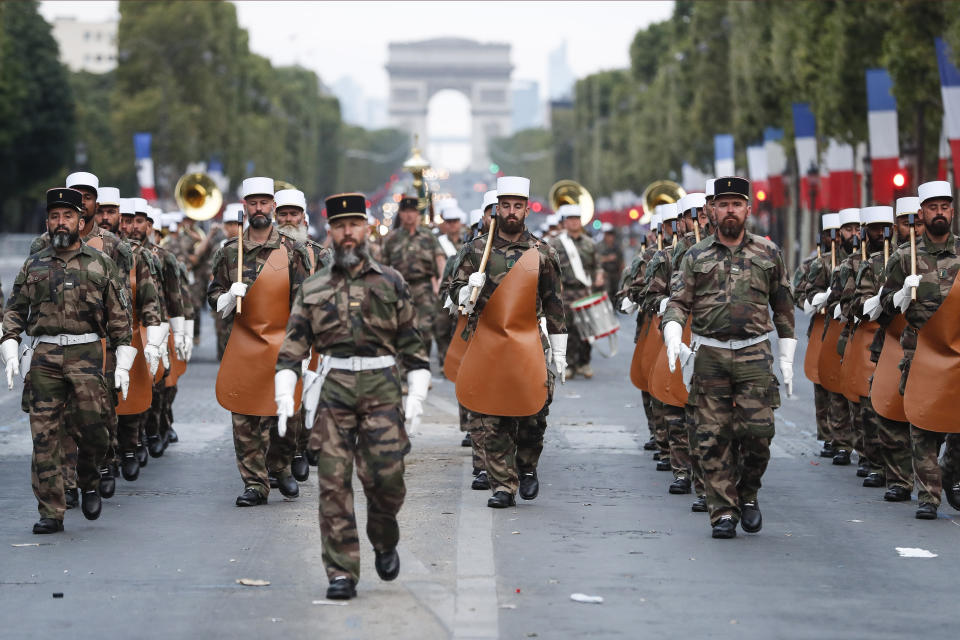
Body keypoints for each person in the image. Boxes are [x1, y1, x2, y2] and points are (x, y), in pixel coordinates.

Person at [274, 192, 430, 600]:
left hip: (381, 390)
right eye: (340, 226)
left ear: (366, 228)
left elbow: (413, 346)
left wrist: (416, 394)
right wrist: (285, 393)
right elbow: (292, 348)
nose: (347, 233)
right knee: (333, 484)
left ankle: (384, 536)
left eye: (354, 225)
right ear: (331, 231)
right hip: (335, 391)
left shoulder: (390, 282)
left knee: (386, 480)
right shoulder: (313, 287)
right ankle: (341, 571)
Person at [663, 176, 795, 539]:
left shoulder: (768, 253)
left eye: (737, 203)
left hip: (754, 353)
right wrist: (673, 332)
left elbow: (783, 306)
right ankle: (722, 510)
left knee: (759, 433)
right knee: (711, 436)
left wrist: (787, 354)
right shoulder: (695, 256)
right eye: (723, 204)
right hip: (710, 355)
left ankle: (748, 493)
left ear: (748, 209)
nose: (730, 210)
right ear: (711, 210)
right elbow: (677, 303)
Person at [2, 188, 134, 534]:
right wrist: (10, 345)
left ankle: (89, 481)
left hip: (87, 355)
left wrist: (122, 362)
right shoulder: (34, 264)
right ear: (48, 221)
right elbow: (15, 309)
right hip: (45, 357)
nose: (61, 222)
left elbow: (120, 317)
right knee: (44, 436)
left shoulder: (100, 263)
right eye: (55, 216)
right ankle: (51, 510)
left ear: (80, 220)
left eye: (68, 216)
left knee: (94, 431)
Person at [450, 176, 566, 508]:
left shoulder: (542, 251)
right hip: (487, 340)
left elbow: (554, 300)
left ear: (526, 209)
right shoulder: (475, 250)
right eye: (505, 206)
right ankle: (503, 485)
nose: (511, 212)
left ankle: (527, 467)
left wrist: (560, 349)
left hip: (528, 338)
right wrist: (466, 290)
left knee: (534, 410)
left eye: (517, 206)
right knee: (488, 414)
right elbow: (454, 295)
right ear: (496, 209)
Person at [208, 177, 309, 506]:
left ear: (273, 207)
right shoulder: (229, 252)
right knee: (245, 416)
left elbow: (304, 299)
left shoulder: (292, 250)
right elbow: (212, 292)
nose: (259, 208)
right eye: (253, 203)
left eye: (264, 203)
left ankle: (280, 467)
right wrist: (225, 298)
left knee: (285, 415)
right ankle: (254, 483)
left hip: (282, 341)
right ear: (245, 207)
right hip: (244, 344)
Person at [878, 180, 960, 520]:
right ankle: (928, 496)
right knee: (922, 425)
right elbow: (880, 308)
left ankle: (950, 472)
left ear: (952, 211)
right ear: (922, 214)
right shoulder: (904, 256)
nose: (939, 212)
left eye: (945, 206)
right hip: (918, 351)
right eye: (932, 207)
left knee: (956, 426)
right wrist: (897, 297)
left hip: (956, 352)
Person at [855, 198, 922, 502]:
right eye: (907, 224)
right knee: (887, 408)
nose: (914, 229)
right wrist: (890, 300)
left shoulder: (953, 254)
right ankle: (896, 475)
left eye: (917, 223)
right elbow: (864, 304)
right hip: (894, 342)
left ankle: (937, 476)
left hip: (938, 344)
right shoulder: (885, 262)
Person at [274, 187, 331, 482]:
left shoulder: (320, 254)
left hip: (308, 336)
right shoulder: (258, 255)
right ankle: (279, 458)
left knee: (305, 395)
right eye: (282, 214)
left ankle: (300, 449)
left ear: (303, 218)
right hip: (270, 334)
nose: (288, 219)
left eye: (293, 214)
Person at [805, 213, 856, 464]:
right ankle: (836, 439)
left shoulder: (867, 261)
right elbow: (801, 294)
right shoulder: (822, 263)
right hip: (829, 328)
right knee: (828, 385)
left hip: (860, 330)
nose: (853, 233)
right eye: (848, 228)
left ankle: (862, 443)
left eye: (858, 228)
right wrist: (819, 300)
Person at [383, 195, 445, 358]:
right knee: (403, 329)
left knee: (425, 329)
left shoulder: (427, 236)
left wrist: (441, 281)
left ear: (418, 213)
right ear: (400, 214)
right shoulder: (391, 238)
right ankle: (406, 369)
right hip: (400, 289)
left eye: (412, 211)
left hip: (424, 288)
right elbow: (382, 266)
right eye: (405, 211)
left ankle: (422, 365)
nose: (409, 215)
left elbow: (440, 258)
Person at [549, 203, 602, 379]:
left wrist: (599, 276)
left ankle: (584, 362)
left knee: (587, 329)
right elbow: (548, 267)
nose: (573, 222)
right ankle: (570, 363)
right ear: (564, 222)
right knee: (567, 330)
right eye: (570, 219)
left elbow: (597, 266)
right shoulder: (555, 243)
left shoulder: (590, 243)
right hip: (564, 293)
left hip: (585, 292)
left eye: (576, 219)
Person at [212, 204, 244, 361]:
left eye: (235, 224)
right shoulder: (222, 247)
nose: (232, 227)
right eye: (229, 224)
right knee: (222, 330)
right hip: (225, 296)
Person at [598, 222, 625, 301]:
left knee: (615, 294)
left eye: (611, 234)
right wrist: (607, 258)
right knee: (607, 294)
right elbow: (596, 260)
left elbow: (621, 261)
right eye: (608, 234)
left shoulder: (617, 246)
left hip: (615, 275)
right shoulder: (599, 246)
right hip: (605, 275)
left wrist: (622, 274)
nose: (610, 237)